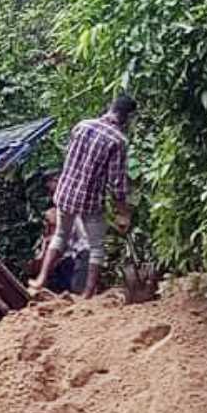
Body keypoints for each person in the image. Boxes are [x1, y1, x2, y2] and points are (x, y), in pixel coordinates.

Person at [31, 95, 135, 298]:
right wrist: (124, 214)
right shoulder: (118, 141)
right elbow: (117, 183)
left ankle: (41, 279)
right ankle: (87, 294)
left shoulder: (82, 126)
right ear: (128, 117)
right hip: (88, 200)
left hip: (65, 193)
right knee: (96, 246)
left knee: (61, 235)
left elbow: (71, 158)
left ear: (109, 108)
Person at [29, 171, 90, 294]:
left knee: (77, 289)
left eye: (51, 186)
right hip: (73, 255)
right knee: (72, 288)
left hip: (82, 251)